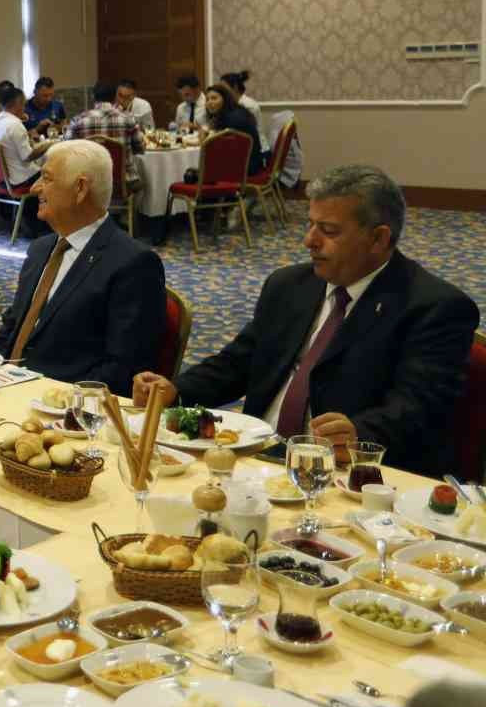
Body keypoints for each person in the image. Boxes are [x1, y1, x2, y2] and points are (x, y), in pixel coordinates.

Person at [133, 165, 479, 477]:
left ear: (379, 238)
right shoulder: (290, 285)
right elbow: (239, 362)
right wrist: (177, 389)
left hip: (342, 475)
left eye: (328, 230)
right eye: (310, 224)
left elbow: (416, 408)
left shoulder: (433, 307)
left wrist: (359, 433)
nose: (309, 241)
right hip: (252, 459)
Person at [0, 141, 164, 395]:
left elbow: (123, 368)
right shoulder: (40, 249)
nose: (35, 187)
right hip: (5, 388)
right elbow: (12, 327)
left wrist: (49, 397)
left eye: (46, 178)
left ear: (80, 188)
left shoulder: (133, 264)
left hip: (62, 404)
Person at [0, 87, 49, 237]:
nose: (25, 107)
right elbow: (27, 156)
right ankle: (42, 226)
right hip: (18, 180)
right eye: (23, 104)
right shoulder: (15, 125)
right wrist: (47, 145)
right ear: (18, 104)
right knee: (53, 174)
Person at [66, 82, 146, 191]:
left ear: (93, 97)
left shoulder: (78, 120)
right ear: (115, 97)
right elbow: (140, 149)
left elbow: (66, 147)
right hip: (123, 181)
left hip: (88, 181)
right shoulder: (128, 120)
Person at [203, 82, 265, 175]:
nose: (209, 102)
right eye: (207, 99)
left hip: (246, 167)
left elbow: (221, 150)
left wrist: (203, 139)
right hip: (250, 163)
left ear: (225, 99)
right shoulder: (234, 112)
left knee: (194, 174)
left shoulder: (232, 118)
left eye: (214, 98)